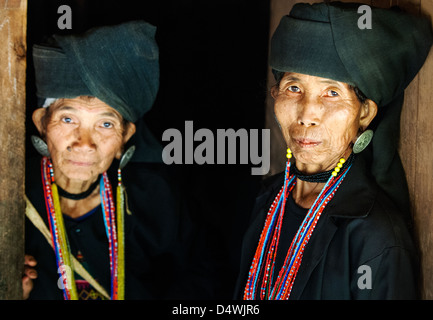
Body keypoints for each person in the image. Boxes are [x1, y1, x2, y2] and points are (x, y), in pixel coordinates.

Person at [235, 2, 433, 299]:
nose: (307, 113)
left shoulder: (375, 237)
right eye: (293, 87)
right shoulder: (268, 199)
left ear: (364, 114)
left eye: (332, 93)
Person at [23, 20, 193, 300]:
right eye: (68, 119)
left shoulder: (155, 198)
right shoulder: (10, 194)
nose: (85, 144)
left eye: (105, 124)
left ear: (125, 137)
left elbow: (201, 276)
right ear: (41, 123)